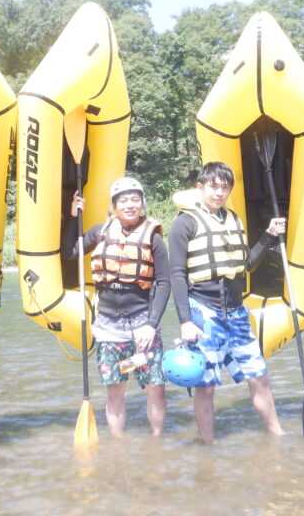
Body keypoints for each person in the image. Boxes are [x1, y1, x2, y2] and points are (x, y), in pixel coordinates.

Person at [170, 161, 285, 444]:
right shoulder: (184, 223)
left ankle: (277, 436)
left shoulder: (233, 219)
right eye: (213, 186)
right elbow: (176, 275)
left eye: (224, 188)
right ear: (201, 187)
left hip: (236, 311)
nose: (219, 193)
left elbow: (245, 264)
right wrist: (185, 321)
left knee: (259, 376)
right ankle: (208, 443)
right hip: (203, 312)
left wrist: (268, 235)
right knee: (206, 385)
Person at [62, 177, 170, 436]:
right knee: (114, 389)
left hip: (143, 323)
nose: (130, 205)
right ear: (114, 205)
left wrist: (151, 325)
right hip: (108, 325)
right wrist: (73, 218)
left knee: (156, 386)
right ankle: (118, 445)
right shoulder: (100, 231)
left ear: (143, 204)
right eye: (124, 200)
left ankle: (156, 441)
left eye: (135, 199)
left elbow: (164, 283)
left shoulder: (153, 237)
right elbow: (70, 252)